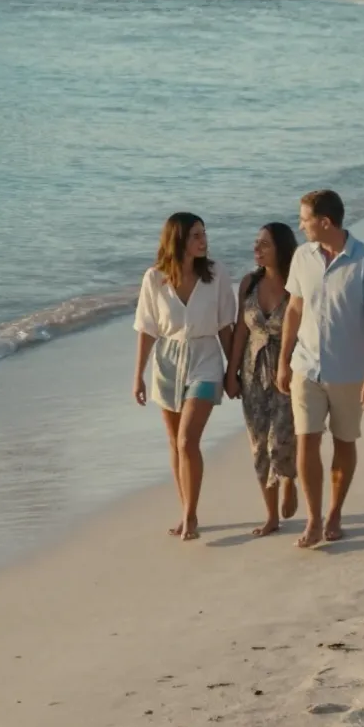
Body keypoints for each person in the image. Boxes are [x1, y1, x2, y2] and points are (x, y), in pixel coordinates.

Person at [276, 189, 364, 549]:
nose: (300, 225)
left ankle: (336, 510)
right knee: (306, 439)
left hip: (349, 372)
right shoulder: (301, 256)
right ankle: (313, 517)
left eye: (305, 219)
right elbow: (294, 309)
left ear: (325, 222)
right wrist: (283, 359)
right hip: (305, 367)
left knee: (344, 441)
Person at [132, 212, 238, 540]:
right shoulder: (154, 278)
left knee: (187, 440)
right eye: (195, 235)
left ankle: (190, 516)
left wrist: (233, 372)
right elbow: (147, 329)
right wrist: (138, 375)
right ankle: (186, 510)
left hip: (206, 358)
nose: (204, 240)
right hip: (166, 361)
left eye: (204, 233)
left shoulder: (216, 273)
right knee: (174, 442)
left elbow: (225, 325)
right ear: (178, 240)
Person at [223, 222, 300, 536]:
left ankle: (289, 479)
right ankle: (271, 516)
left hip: (288, 372)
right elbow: (241, 330)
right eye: (256, 243)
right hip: (253, 372)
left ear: (280, 248)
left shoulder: (296, 285)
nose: (256, 249)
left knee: (281, 438)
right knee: (258, 445)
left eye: (264, 244)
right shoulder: (248, 284)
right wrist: (232, 374)